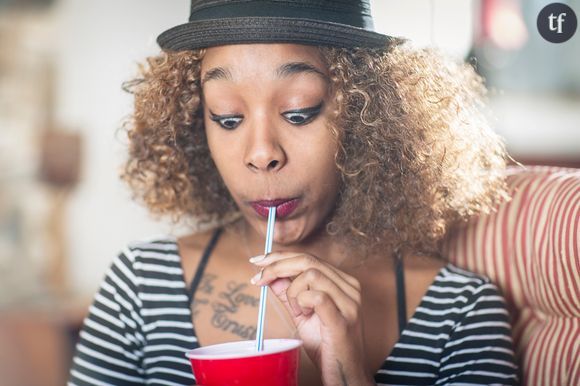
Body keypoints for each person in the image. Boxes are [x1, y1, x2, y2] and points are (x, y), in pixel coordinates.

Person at [68, 1, 519, 385]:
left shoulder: (459, 313)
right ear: (193, 120)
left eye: (300, 111)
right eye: (227, 117)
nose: (262, 153)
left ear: (366, 112)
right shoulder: (139, 287)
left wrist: (349, 372)